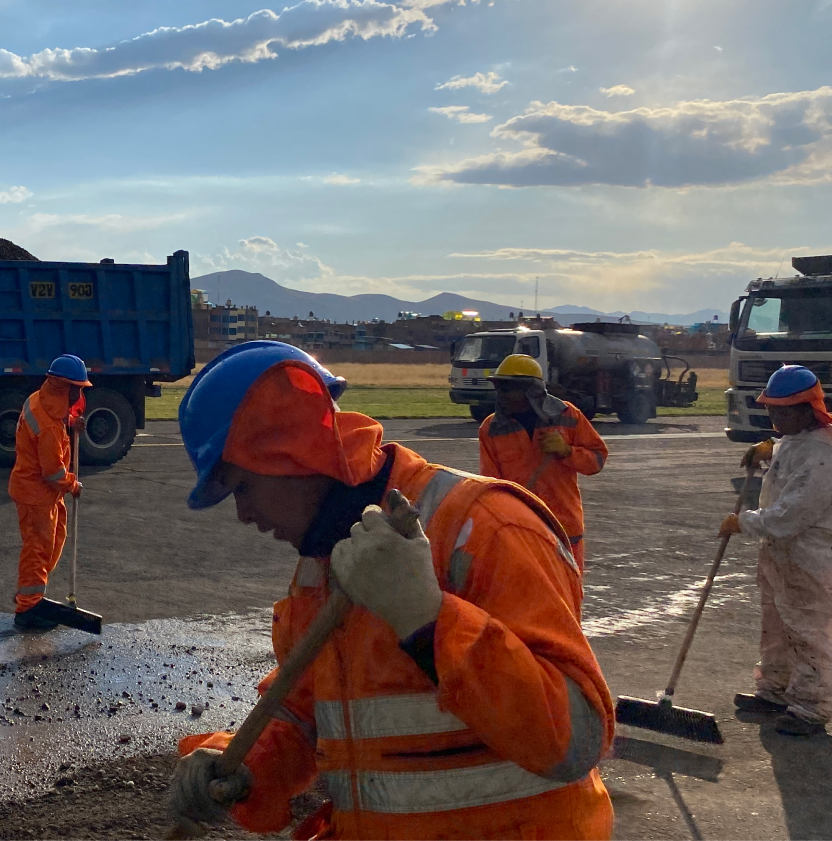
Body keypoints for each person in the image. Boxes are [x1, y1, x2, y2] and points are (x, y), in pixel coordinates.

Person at [168, 341, 613, 840]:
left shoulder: (484, 528)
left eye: (242, 488)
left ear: (287, 456)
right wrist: (242, 764)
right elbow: (306, 710)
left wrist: (428, 620)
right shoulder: (326, 564)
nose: (243, 515)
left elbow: (575, 741)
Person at [723, 365, 832, 737]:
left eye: (783, 410)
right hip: (782, 556)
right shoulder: (798, 443)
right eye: (771, 409)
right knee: (776, 628)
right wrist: (770, 451)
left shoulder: (822, 457)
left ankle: (811, 708)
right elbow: (791, 463)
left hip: (810, 558)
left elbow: (794, 513)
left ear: (808, 411)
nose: (774, 416)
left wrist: (745, 522)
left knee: (809, 633)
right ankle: (775, 691)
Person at [478, 354, 609, 569]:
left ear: (532, 390)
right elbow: (492, 487)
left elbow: (597, 460)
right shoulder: (491, 428)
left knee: (568, 595)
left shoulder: (568, 415)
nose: (501, 395)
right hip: (520, 529)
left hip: (564, 528)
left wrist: (567, 451)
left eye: (508, 388)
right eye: (499, 388)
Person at [9, 354, 89, 631]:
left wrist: (70, 423)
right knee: (38, 549)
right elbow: (52, 472)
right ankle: (28, 607)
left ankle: (30, 594)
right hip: (36, 494)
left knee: (55, 539)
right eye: (76, 388)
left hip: (43, 494)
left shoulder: (42, 401)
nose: (79, 393)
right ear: (62, 387)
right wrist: (73, 485)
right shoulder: (47, 426)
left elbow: (56, 422)